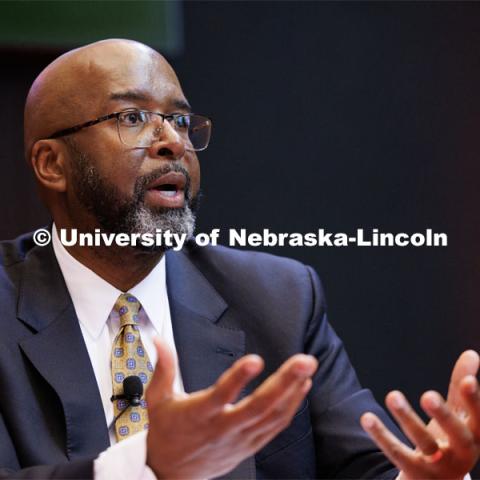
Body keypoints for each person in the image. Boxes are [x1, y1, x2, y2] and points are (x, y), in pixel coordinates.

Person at [0, 38, 478, 479]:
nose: (173, 142)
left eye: (181, 120)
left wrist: (424, 476)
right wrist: (144, 465)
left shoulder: (279, 299)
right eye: (132, 118)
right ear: (52, 164)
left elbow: (370, 467)